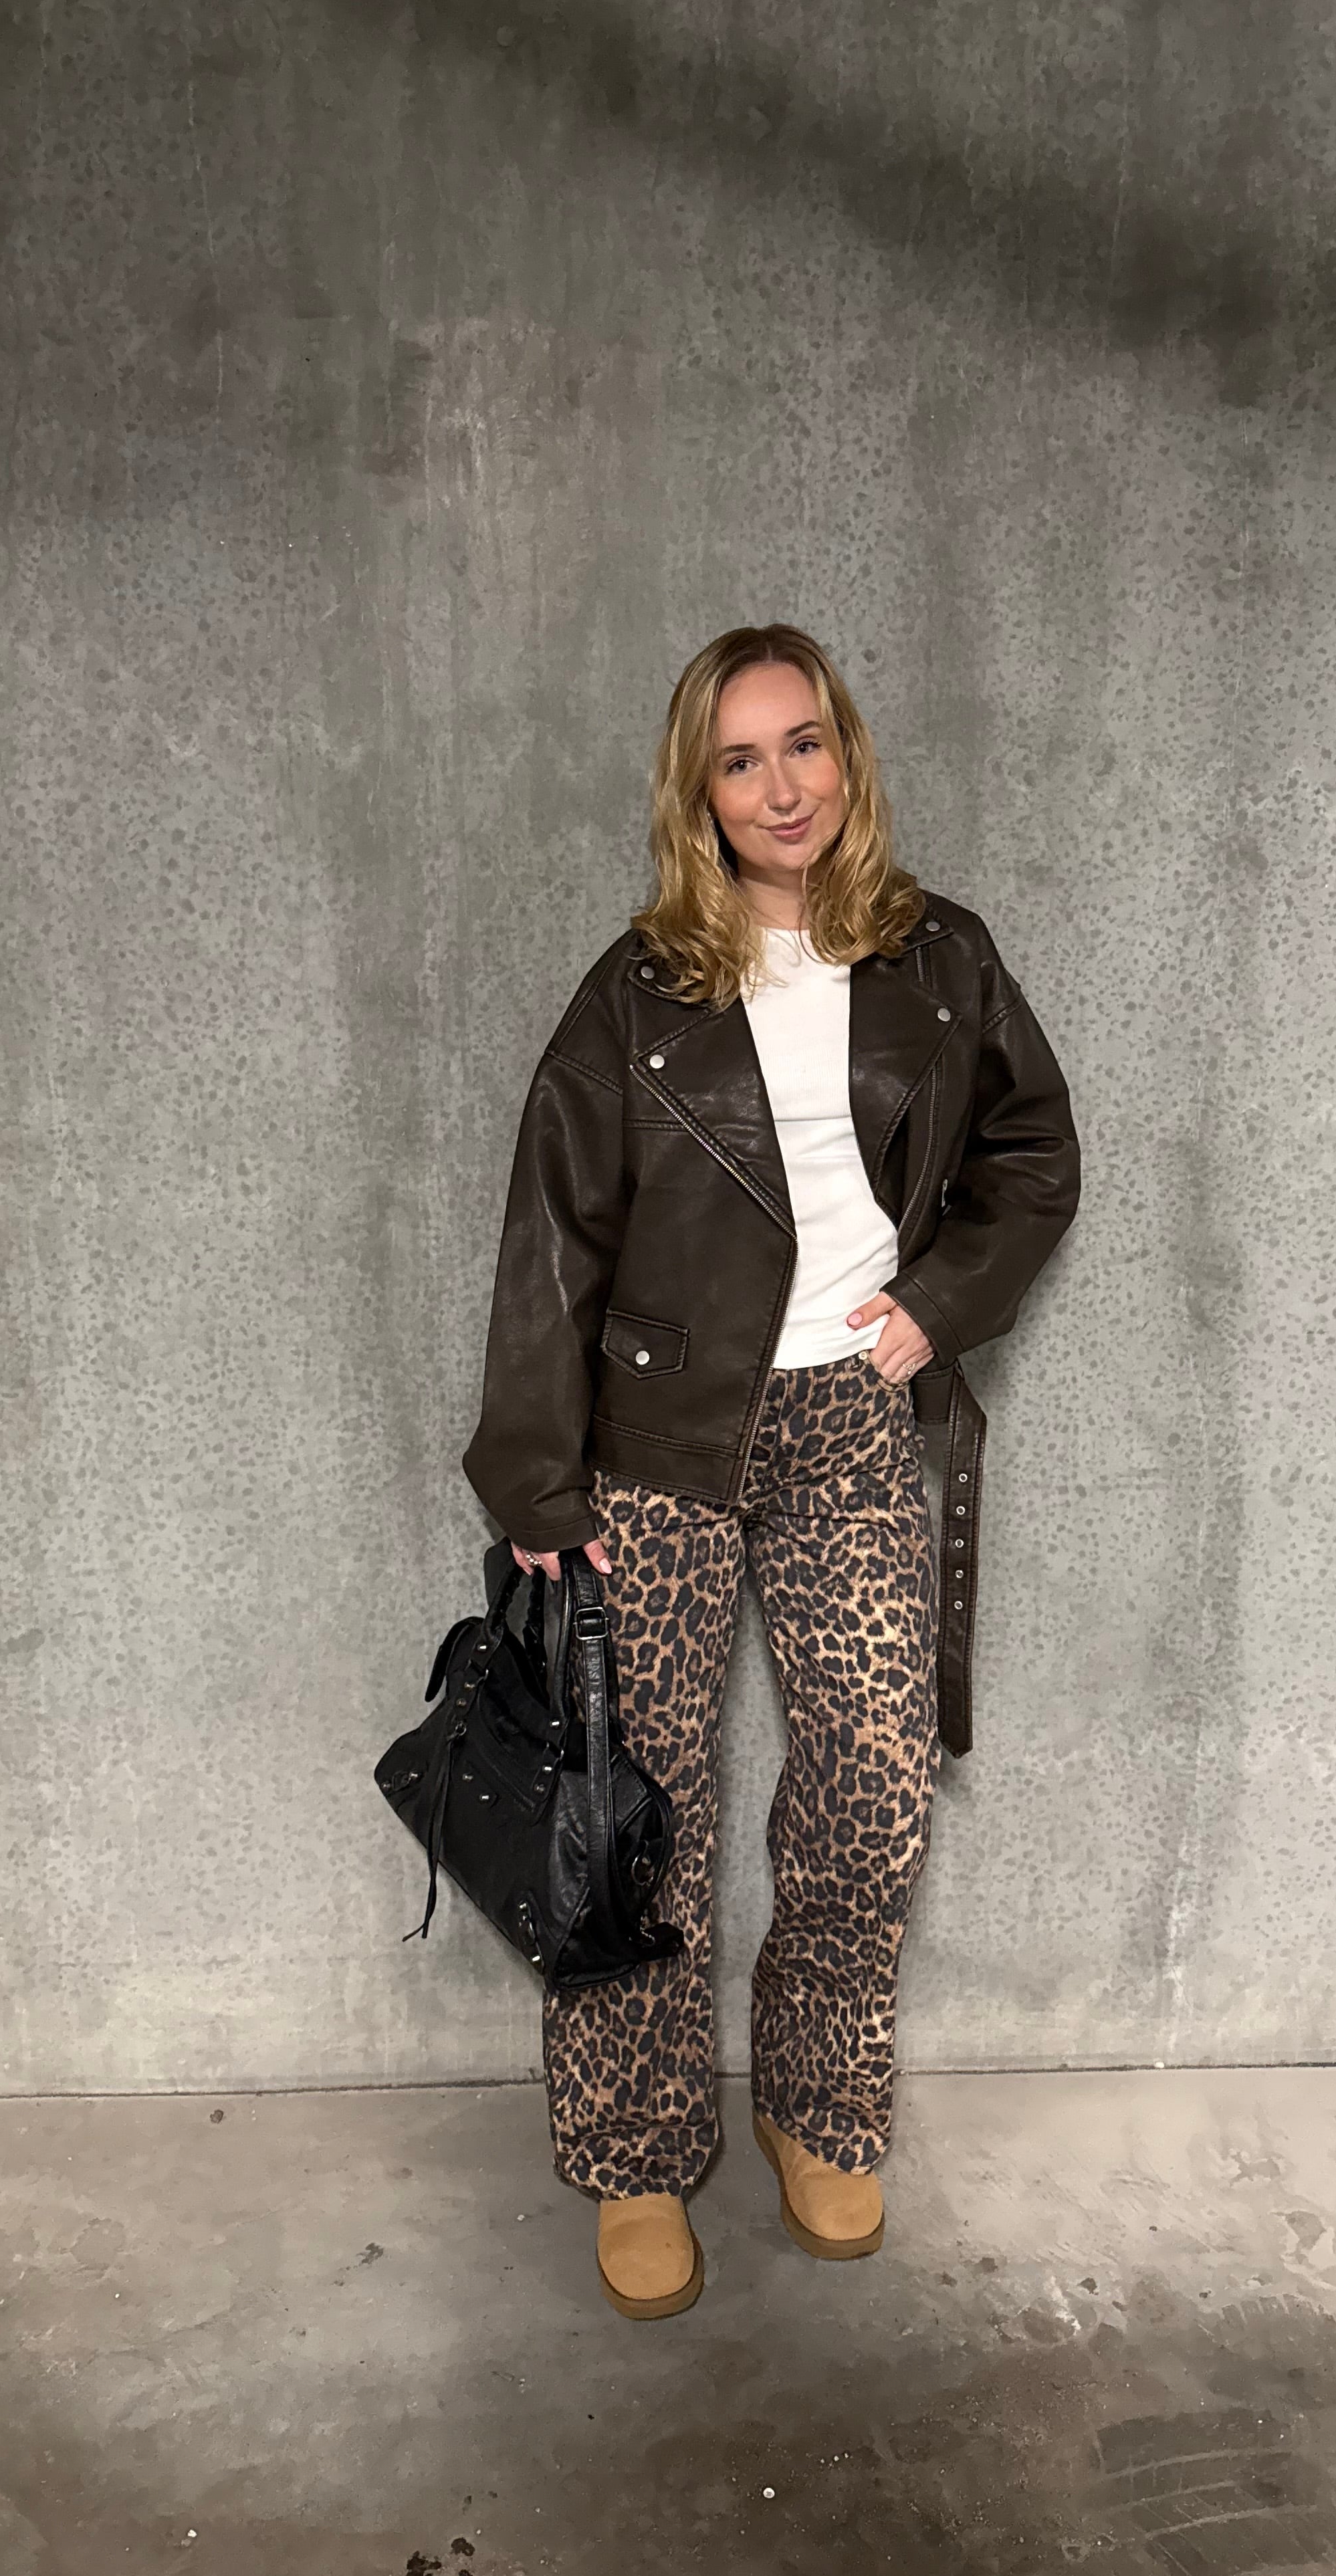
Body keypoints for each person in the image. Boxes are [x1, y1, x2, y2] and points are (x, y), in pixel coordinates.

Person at [461, 623, 1079, 2319]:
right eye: (741, 761)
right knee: (637, 1801)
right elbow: (552, 1231)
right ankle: (638, 2149)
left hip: (851, 1422)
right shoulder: (640, 988)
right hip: (660, 1439)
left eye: (804, 744)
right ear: (700, 793)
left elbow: (1032, 1153)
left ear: (846, 753)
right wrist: (537, 1480)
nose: (782, 786)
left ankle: (818, 2104)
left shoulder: (942, 957)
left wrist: (937, 1309)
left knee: (872, 1779)